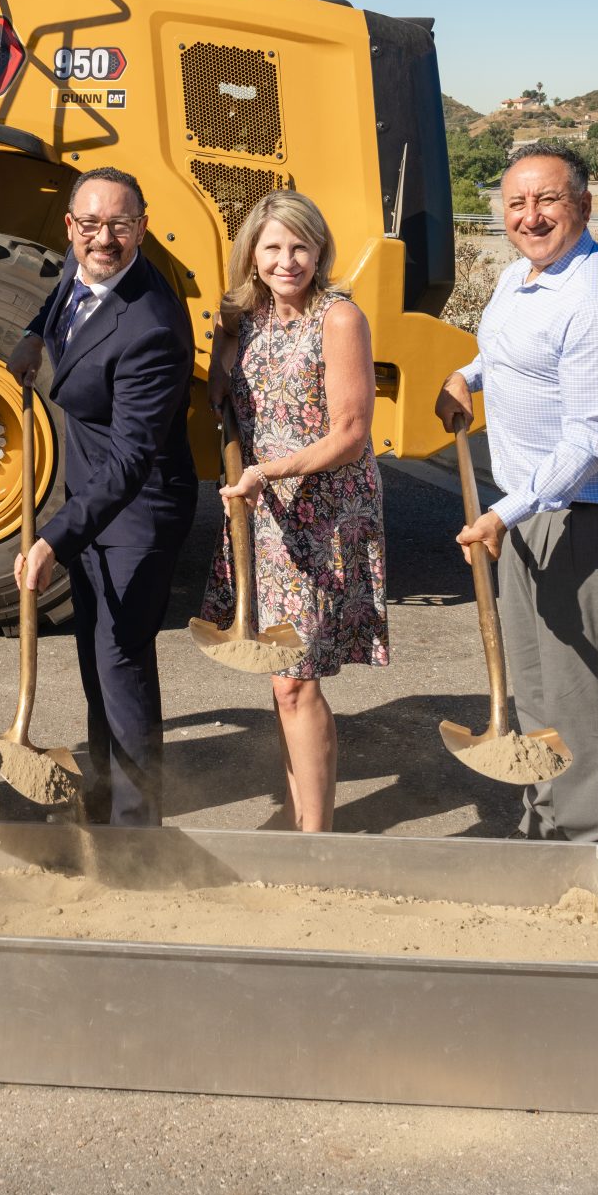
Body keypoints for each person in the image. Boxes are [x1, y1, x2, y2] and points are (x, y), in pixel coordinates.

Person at [440, 141, 598, 846]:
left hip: (588, 517)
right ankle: (539, 827)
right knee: (532, 681)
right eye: (516, 203)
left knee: (579, 694)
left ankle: (580, 850)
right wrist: (468, 377)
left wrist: (501, 512)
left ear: (584, 206)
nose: (530, 216)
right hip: (533, 508)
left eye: (548, 200)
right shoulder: (524, 277)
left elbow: (589, 443)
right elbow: (511, 351)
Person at [7, 168, 198, 825]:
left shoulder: (150, 324)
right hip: (94, 495)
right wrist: (35, 333)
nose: (104, 238)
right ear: (71, 226)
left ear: (143, 227)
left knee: (120, 659)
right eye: (90, 225)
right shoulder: (81, 261)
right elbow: (65, 290)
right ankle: (103, 794)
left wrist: (54, 536)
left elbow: (130, 458)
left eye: (120, 224)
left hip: (137, 509)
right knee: (94, 651)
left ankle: (137, 829)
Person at [198, 191, 386, 832]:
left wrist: (267, 470)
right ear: (252, 254)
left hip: (321, 511)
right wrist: (219, 380)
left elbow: (351, 433)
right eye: (273, 247)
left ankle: (316, 836)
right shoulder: (245, 317)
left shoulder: (339, 319)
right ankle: (303, 815)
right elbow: (228, 383)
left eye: (300, 247)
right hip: (265, 513)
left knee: (295, 678)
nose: (287, 261)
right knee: (283, 677)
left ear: (320, 252)